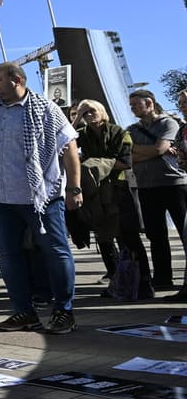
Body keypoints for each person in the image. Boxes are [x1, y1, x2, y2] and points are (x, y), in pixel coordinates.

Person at [0, 61, 82, 334]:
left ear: (17, 80)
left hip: (41, 197)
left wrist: (74, 188)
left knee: (55, 251)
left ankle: (64, 311)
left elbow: (69, 146)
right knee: (9, 256)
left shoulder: (46, 109)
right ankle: (24, 312)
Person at [74, 99, 153, 300]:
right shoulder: (82, 134)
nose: (88, 115)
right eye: (84, 113)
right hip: (97, 193)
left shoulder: (118, 132)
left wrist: (95, 164)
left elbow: (125, 162)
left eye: (91, 111)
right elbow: (62, 142)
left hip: (120, 190)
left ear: (102, 111)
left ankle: (144, 283)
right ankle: (117, 282)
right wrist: (76, 118)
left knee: (129, 237)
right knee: (104, 237)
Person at [126, 89, 187, 300]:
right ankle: (162, 278)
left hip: (174, 184)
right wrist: (152, 150)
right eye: (131, 105)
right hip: (146, 187)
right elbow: (128, 155)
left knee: (184, 233)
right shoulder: (131, 129)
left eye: (136, 104)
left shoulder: (168, 123)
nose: (133, 108)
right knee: (156, 234)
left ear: (149, 103)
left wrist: (142, 150)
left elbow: (160, 149)